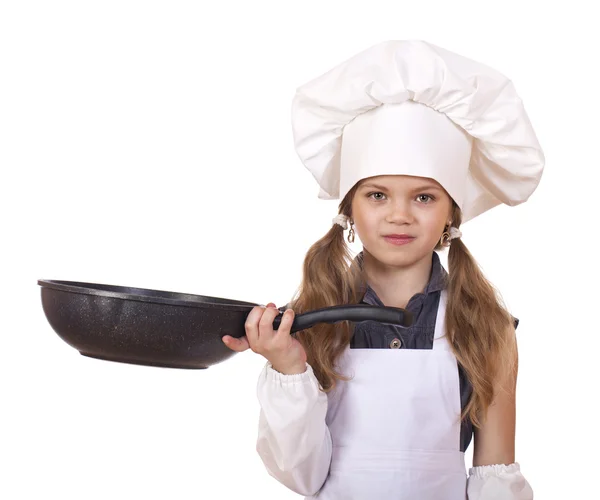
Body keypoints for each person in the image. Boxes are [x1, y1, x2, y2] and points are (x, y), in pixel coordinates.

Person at [222, 39, 544, 499]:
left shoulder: (485, 326)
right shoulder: (306, 323)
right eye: (377, 195)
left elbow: (495, 475)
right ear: (349, 206)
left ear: (451, 212)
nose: (400, 215)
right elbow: (302, 476)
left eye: (424, 197)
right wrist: (289, 367)